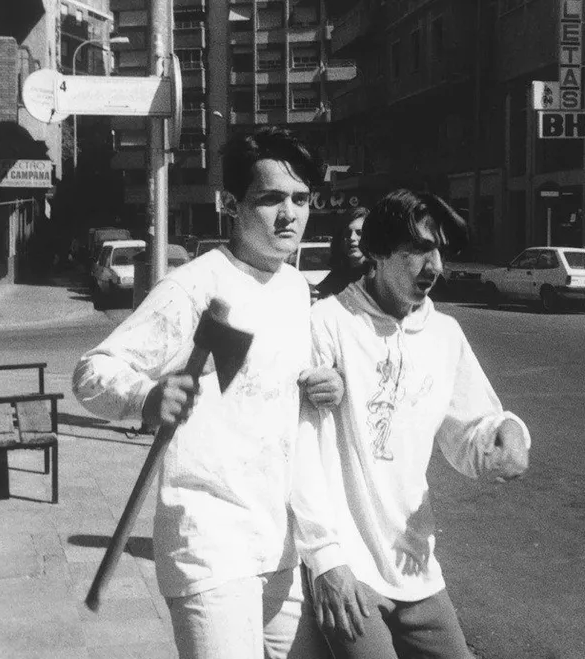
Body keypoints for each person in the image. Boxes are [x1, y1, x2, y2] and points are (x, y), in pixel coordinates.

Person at [72, 126, 342, 659]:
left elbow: (284, 387)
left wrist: (326, 382)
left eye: (300, 199)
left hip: (280, 544)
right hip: (209, 542)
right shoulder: (193, 287)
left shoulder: (294, 287)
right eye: (269, 198)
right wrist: (147, 396)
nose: (288, 214)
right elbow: (91, 372)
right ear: (230, 204)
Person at [291, 189, 532, 658]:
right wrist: (324, 560)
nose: (434, 266)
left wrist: (508, 437)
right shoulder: (328, 324)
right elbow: (300, 449)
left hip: (417, 568)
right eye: (418, 250)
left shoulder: (444, 335)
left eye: (438, 250)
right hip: (350, 569)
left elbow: (473, 430)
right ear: (378, 255)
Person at [315, 206, 369, 299]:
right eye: (347, 233)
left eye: (359, 233)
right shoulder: (332, 281)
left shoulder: (379, 279)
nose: (352, 238)